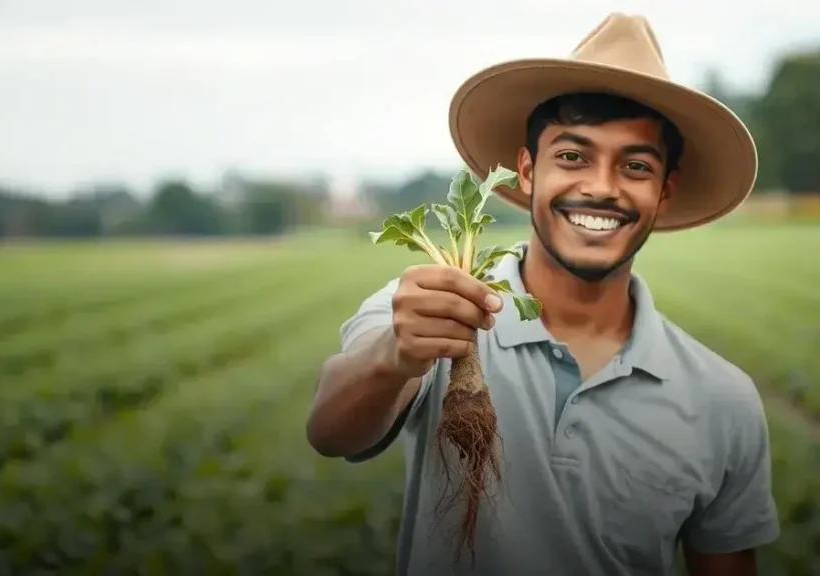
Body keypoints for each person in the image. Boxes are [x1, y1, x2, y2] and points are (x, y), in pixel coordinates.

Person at [307, 12, 780, 576]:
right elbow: (330, 431)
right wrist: (396, 354)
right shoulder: (424, 314)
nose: (601, 188)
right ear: (527, 171)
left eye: (635, 166)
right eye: (573, 157)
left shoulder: (724, 400)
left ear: (664, 191)